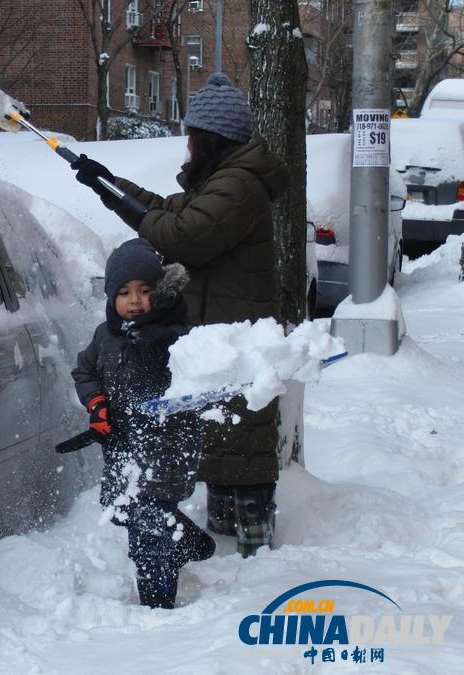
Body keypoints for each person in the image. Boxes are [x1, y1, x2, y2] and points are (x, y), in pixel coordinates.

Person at [71, 73, 290, 558]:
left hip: (235, 331)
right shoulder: (223, 179)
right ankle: (228, 540)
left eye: (192, 134)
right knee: (225, 436)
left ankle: (254, 556)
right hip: (222, 325)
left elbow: (183, 235)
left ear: (211, 138)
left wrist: (119, 195)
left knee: (241, 439)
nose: (187, 144)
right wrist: (108, 185)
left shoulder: (238, 185)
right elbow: (165, 210)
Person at [71, 238, 215, 609]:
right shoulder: (105, 336)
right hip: (122, 445)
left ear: (160, 293)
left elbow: (201, 372)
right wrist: (97, 405)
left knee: (148, 527)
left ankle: (157, 605)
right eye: (123, 292)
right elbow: (85, 371)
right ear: (110, 296)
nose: (134, 301)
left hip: (168, 446)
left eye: (144, 291)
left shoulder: (175, 335)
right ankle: (189, 542)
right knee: (119, 506)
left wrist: (162, 337)